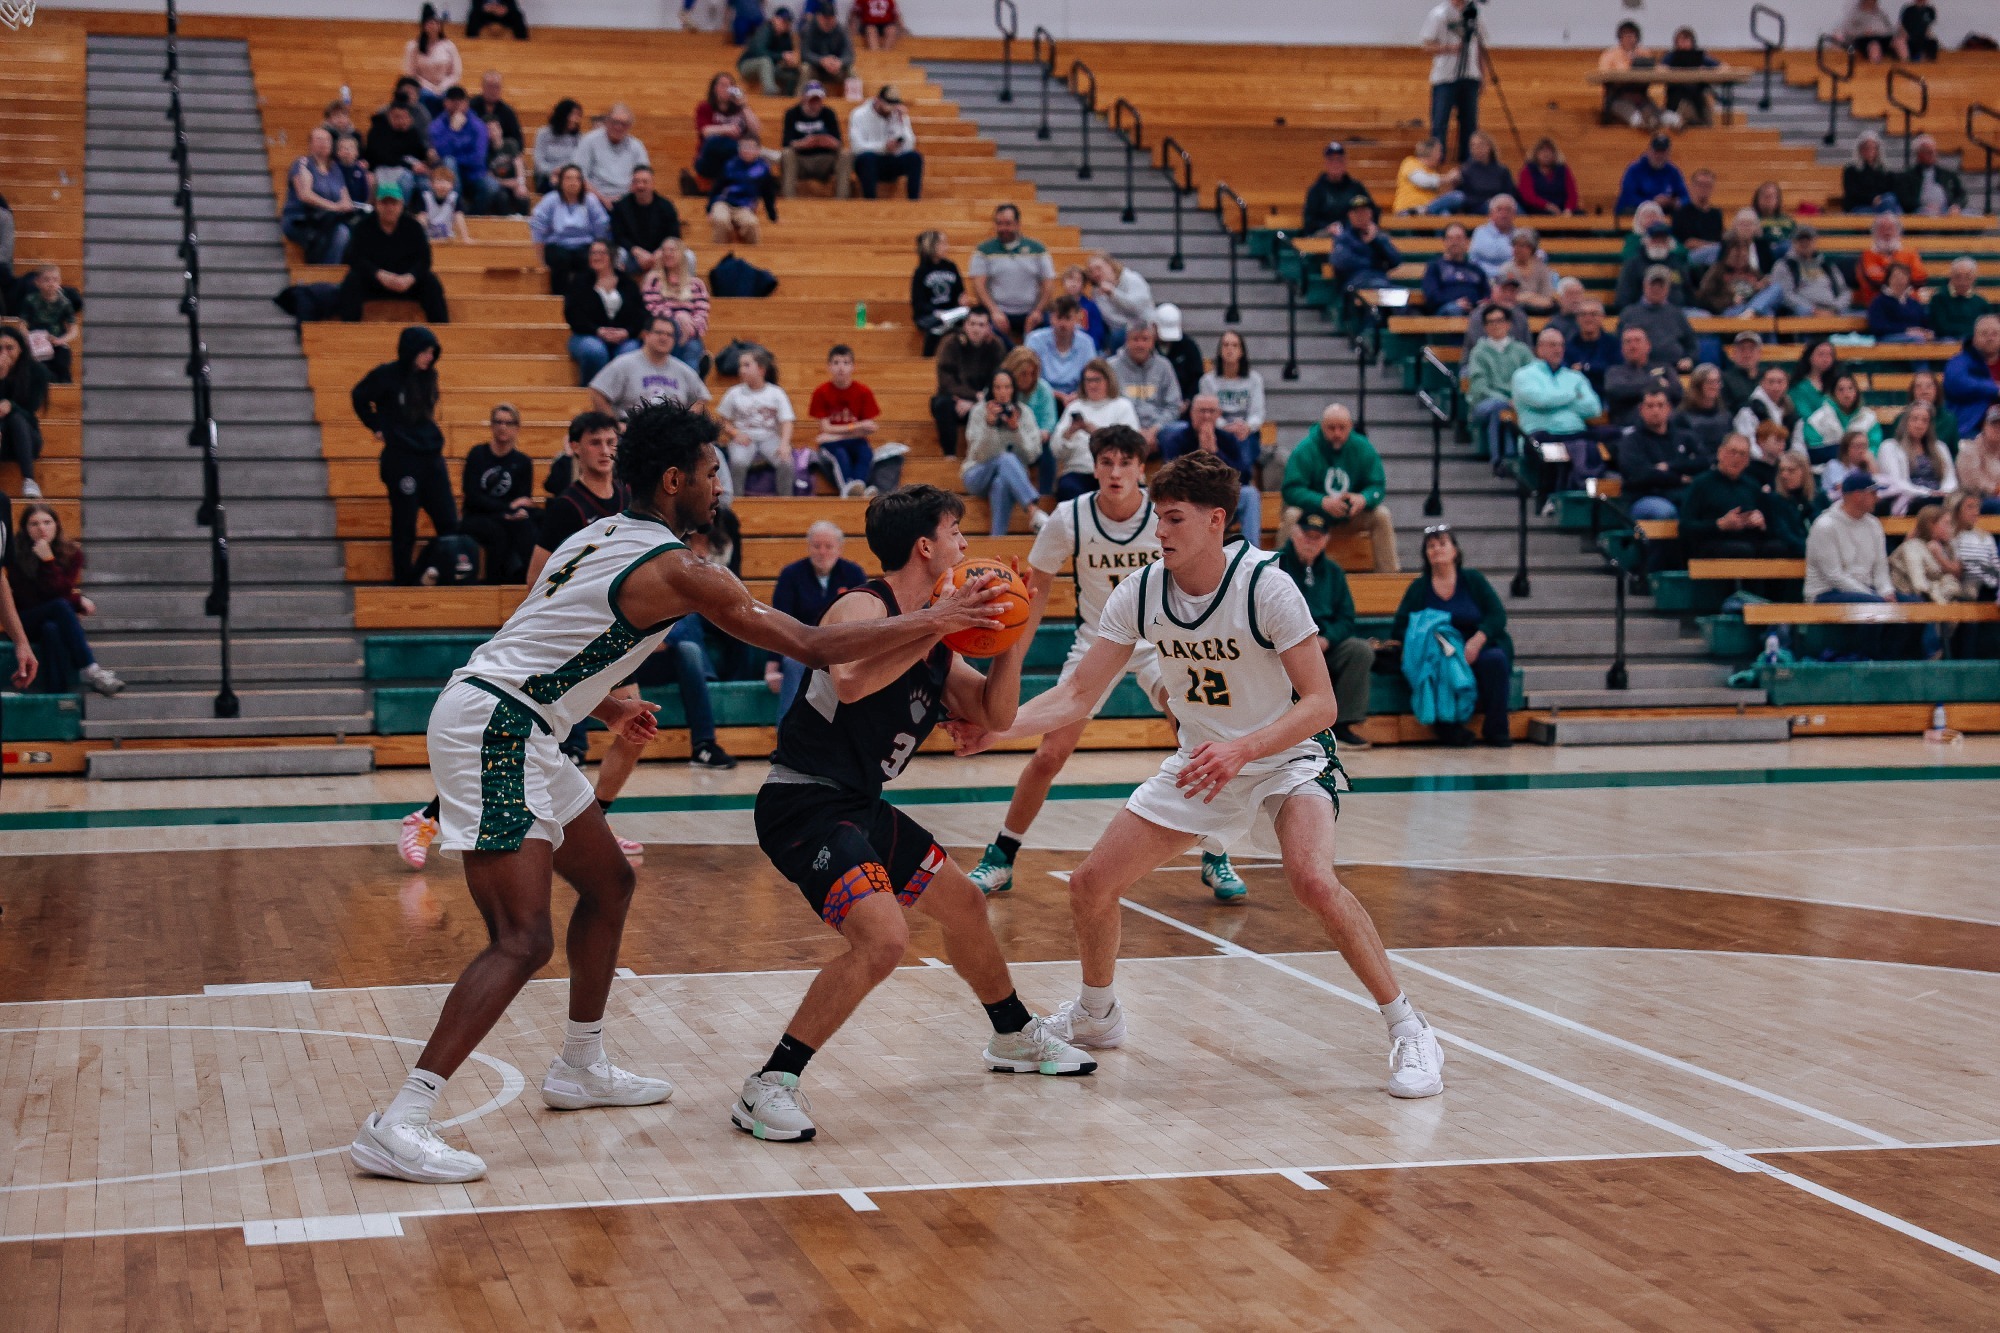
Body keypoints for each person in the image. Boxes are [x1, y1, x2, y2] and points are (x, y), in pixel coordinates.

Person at [356, 401, 1014, 1181]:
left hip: (518, 715)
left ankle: (580, 1064)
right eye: (709, 473)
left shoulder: (595, 534)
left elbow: (529, 641)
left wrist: (607, 702)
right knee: (522, 937)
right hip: (498, 728)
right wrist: (937, 618)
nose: (719, 486)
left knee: (609, 882)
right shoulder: (680, 566)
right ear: (673, 479)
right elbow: (808, 643)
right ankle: (403, 1117)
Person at [955, 450, 1445, 1098]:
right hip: (1203, 763)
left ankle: (1409, 1027)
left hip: (1285, 755)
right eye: (1159, 517)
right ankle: (1097, 1015)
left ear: (1218, 520)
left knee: (1312, 880)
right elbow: (1077, 693)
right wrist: (1000, 726)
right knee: (1090, 885)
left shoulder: (1267, 585)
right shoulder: (1141, 590)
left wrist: (1245, 750)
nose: (1161, 531)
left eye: (1175, 518)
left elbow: (1322, 703)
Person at [734, 483, 1091, 1145]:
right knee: (885, 940)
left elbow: (997, 714)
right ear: (926, 545)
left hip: (859, 805)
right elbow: (851, 679)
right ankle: (769, 1084)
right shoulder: (861, 603)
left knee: (963, 904)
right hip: (803, 801)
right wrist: (940, 618)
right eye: (957, 533)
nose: (964, 546)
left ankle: (1012, 1034)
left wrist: (1011, 631)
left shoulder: (938, 639)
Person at [968, 424, 1240, 902]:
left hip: (1159, 640)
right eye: (1106, 463)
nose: (1115, 473)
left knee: (1198, 742)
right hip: (1100, 640)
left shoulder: (1167, 519)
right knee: (1051, 754)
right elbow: (1033, 600)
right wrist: (1009, 665)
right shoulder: (1068, 519)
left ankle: (1216, 852)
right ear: (1093, 467)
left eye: (1125, 463)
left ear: (1141, 468)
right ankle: (1003, 854)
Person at [352, 327, 455, 586]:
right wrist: (375, 425)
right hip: (401, 457)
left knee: (449, 521)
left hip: (430, 455)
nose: (429, 358)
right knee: (405, 523)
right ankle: (403, 580)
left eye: (433, 352)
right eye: (424, 352)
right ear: (411, 351)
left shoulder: (429, 376)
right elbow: (359, 396)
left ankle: (438, 571)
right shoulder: (386, 374)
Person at [1393, 524, 1511, 746]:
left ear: (1455, 551)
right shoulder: (1418, 588)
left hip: (1475, 646)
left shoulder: (1473, 580)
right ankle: (1447, 727)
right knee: (1436, 664)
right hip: (1439, 651)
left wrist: (1477, 641)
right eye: (1431, 546)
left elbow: (1497, 615)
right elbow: (1401, 626)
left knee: (1496, 660)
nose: (1436, 549)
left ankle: (1497, 728)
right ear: (1426, 554)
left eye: (1442, 544)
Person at [9, 502, 121, 695]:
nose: (41, 528)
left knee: (51, 629)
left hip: (54, 618)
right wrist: (77, 602)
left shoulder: (72, 553)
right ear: (25, 528)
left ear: (57, 525)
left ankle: (57, 696)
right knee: (60, 607)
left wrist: (48, 560)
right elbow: (30, 599)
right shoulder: (16, 555)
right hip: (25, 621)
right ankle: (92, 671)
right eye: (34, 524)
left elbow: (61, 590)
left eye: (47, 522)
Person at [765, 521, 867, 718]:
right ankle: (785, 740)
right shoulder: (790, 575)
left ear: (839, 549)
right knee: (793, 664)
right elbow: (778, 621)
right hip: (802, 648)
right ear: (808, 547)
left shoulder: (854, 574)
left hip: (842, 649)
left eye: (828, 546)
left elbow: (862, 620)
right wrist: (772, 666)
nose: (822, 552)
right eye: (817, 546)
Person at [1281, 404, 1398, 572]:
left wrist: (1363, 498)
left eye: (1342, 428)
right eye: (1331, 428)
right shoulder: (1305, 449)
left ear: (1350, 427)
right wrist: (1321, 501)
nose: (1337, 433)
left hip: (1350, 514)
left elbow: (1377, 484)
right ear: (1322, 427)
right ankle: (1280, 572)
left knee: (1382, 515)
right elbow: (1291, 489)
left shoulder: (1363, 447)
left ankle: (1389, 579)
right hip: (1313, 515)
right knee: (1292, 515)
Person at [338, 181, 449, 323]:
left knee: (431, 283)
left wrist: (411, 277)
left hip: (407, 284)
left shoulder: (414, 227)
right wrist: (378, 274)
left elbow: (425, 260)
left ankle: (441, 334)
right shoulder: (363, 227)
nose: (389, 208)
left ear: (401, 204)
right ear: (376, 205)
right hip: (375, 282)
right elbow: (355, 258)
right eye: (385, 203)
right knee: (352, 281)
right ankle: (348, 334)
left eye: (394, 203)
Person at [1160, 395, 1262, 546]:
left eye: (1211, 411)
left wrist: (1215, 453)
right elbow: (1173, 476)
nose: (1206, 416)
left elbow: (1244, 476)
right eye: (1202, 411)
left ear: (1218, 414)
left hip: (1222, 498)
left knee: (1250, 494)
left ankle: (1252, 551)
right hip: (1189, 498)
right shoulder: (1176, 439)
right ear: (1192, 413)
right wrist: (1202, 453)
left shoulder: (1227, 439)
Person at [960, 365, 1045, 536]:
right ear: (991, 389)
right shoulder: (979, 412)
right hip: (977, 473)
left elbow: (1032, 455)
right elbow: (978, 454)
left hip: (1011, 476)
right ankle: (1033, 510)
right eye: (998, 387)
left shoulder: (1025, 413)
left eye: (1007, 387)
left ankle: (997, 539)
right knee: (1005, 458)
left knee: (1001, 483)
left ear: (1013, 389)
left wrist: (1016, 430)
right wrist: (989, 425)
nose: (1002, 392)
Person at [1681, 434, 1793, 561]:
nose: (1737, 458)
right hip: (1713, 542)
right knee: (1742, 550)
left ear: (1747, 461)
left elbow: (1772, 525)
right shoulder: (1701, 484)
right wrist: (1720, 524)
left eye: (1742, 454)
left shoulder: (1753, 486)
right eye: (1732, 452)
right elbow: (1685, 527)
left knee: (1778, 548)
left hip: (1749, 540)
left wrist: (1761, 523)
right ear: (1720, 453)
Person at [459, 403, 537, 583]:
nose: (503, 427)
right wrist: (507, 508)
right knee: (498, 532)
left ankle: (526, 580)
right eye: (499, 422)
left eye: (508, 423)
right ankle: (493, 585)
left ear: (517, 428)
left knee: (528, 526)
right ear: (492, 425)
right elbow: (473, 496)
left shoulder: (523, 462)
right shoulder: (477, 454)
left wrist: (512, 511)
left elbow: (523, 500)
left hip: (506, 516)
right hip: (476, 516)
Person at [588, 313, 713, 422]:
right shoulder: (624, 364)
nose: (664, 338)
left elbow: (702, 398)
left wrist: (686, 423)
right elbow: (597, 392)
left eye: (669, 335)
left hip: (671, 434)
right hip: (633, 430)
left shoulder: (683, 370)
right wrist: (614, 425)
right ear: (645, 335)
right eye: (659, 332)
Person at [1513, 326, 1604, 471]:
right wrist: (1573, 395)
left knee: (1615, 436)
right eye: (1552, 345)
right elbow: (1541, 401)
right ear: (1539, 348)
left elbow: (1594, 408)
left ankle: (1590, 487)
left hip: (1575, 432)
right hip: (1542, 434)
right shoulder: (1523, 375)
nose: (1558, 349)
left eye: (1561, 345)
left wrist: (1556, 399)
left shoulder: (1575, 376)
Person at [1616, 388, 1706, 528]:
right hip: (1644, 498)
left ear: (1669, 408)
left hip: (1682, 494)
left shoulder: (1686, 436)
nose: (1655, 411)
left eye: (1660, 405)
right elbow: (1640, 475)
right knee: (1665, 512)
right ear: (1641, 410)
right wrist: (1679, 478)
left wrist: (1670, 466)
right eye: (1650, 406)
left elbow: (1704, 462)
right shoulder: (1631, 441)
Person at [1050, 360, 1140, 500]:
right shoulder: (1074, 407)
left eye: (1097, 380)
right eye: (1088, 380)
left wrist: (1098, 434)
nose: (1092, 385)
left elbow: (1132, 446)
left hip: (1114, 473)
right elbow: (1056, 451)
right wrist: (1069, 433)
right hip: (1079, 470)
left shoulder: (1122, 406)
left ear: (1108, 380)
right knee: (1067, 488)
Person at [716, 347, 795, 497]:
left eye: (747, 365)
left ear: (761, 370)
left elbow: (787, 421)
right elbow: (722, 420)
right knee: (738, 462)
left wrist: (784, 444)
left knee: (786, 462)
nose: (741, 370)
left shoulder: (776, 393)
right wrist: (735, 433)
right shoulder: (734, 393)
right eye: (740, 366)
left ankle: (786, 500)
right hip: (744, 437)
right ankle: (735, 500)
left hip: (770, 437)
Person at [562, 240, 643, 386]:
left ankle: (623, 398)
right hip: (587, 335)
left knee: (630, 351)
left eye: (601, 253)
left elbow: (639, 315)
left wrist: (626, 332)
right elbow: (573, 315)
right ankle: (591, 394)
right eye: (593, 253)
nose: (596, 256)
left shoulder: (628, 283)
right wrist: (598, 331)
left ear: (611, 256)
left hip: (623, 337)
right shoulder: (579, 282)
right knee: (594, 351)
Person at [969, 204, 1054, 341]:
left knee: (1052, 328)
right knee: (981, 328)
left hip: (1031, 312)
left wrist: (1038, 311)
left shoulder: (1038, 249)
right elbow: (979, 286)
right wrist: (994, 311)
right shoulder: (983, 250)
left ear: (1018, 224)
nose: (1003, 228)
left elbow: (1048, 284)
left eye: (1008, 224)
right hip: (997, 312)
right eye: (999, 223)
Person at [931, 307, 1006, 456]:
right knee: (941, 404)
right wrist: (972, 396)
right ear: (965, 325)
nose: (976, 329)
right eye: (972, 324)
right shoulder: (951, 344)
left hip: (984, 399)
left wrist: (976, 401)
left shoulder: (995, 346)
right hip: (955, 398)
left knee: (997, 407)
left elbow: (999, 379)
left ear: (988, 328)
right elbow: (946, 381)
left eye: (981, 325)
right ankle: (949, 455)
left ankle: (986, 455)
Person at [809, 343, 880, 495]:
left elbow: (869, 429)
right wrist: (857, 427)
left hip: (849, 440)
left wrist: (836, 434)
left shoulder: (863, 392)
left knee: (865, 452)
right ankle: (847, 489)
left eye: (846, 363)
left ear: (853, 366)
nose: (841, 367)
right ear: (829, 366)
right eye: (836, 363)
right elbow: (826, 428)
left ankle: (859, 487)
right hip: (833, 446)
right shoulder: (821, 392)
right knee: (840, 454)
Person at [1464, 305, 1533, 460]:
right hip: (1484, 404)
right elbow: (1479, 388)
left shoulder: (1522, 351)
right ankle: (1502, 459)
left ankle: (1519, 458)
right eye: (1490, 322)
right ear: (1485, 327)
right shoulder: (1479, 352)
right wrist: (1507, 401)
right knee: (1498, 407)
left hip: (1518, 401)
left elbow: (1533, 378)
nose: (1495, 325)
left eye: (1500, 320)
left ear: (1508, 324)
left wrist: (1519, 400)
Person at [529, 164, 610, 296]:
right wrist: (539, 253)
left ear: (582, 182)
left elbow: (601, 224)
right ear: (561, 182)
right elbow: (538, 224)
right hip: (557, 245)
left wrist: (599, 248)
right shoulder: (551, 199)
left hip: (585, 245)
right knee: (561, 259)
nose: (573, 183)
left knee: (587, 260)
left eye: (577, 179)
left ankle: (586, 300)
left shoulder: (591, 200)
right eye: (568, 178)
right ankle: (560, 300)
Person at [280, 126, 356, 265]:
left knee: (348, 231)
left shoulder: (335, 168)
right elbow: (305, 195)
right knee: (332, 235)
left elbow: (345, 198)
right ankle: (323, 274)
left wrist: (345, 206)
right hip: (302, 219)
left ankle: (329, 275)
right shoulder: (302, 164)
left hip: (327, 219)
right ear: (310, 144)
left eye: (327, 140)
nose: (324, 143)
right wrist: (334, 207)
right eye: (319, 139)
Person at [1420, 0, 1482, 162]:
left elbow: (1480, 46)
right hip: (1445, 77)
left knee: (1469, 124)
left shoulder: (1473, 14)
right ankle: (1437, 162)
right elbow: (1426, 45)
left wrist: (1483, 76)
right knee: (1440, 123)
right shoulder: (1438, 14)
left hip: (1471, 77)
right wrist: (1449, 48)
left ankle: (1467, 164)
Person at [1106, 322, 1184, 451]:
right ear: (1127, 341)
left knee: (1180, 431)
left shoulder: (1164, 366)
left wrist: (1154, 430)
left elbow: (1174, 406)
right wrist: (1135, 430)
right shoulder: (1111, 367)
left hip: (1160, 429)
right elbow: (1108, 405)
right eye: (1135, 339)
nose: (1140, 344)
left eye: (1145, 339)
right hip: (1123, 428)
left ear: (1153, 342)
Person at [639, 238, 710, 371]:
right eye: (664, 250)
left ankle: (690, 385)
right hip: (661, 333)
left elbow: (702, 314)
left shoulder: (696, 284)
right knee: (671, 336)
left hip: (690, 336)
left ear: (682, 254)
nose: (668, 253)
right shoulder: (653, 280)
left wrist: (688, 329)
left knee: (692, 348)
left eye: (672, 250)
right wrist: (678, 319)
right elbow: (652, 308)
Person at [1877, 401, 1957, 515]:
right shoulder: (1890, 447)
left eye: (1925, 421)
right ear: (1905, 422)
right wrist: (1928, 493)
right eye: (1914, 419)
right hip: (1910, 499)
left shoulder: (1940, 447)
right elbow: (1896, 483)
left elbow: (1950, 478)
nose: (1919, 424)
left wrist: (1944, 492)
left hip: (1940, 497)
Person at [427, 85, 496, 214]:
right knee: (448, 163)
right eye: (452, 101)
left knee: (491, 186)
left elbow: (479, 158)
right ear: (445, 103)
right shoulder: (437, 125)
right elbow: (438, 154)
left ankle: (473, 215)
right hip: (448, 175)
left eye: (460, 101)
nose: (456, 105)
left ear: (466, 103)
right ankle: (455, 210)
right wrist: (452, 131)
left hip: (474, 173)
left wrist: (455, 159)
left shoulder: (478, 125)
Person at [1199, 329, 1266, 461]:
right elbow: (1208, 414)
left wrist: (1246, 427)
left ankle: (1243, 480)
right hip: (1218, 431)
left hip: (1246, 432)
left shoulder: (1255, 379)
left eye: (1235, 345)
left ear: (1241, 352)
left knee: (1244, 451)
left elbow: (1257, 413)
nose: (1230, 349)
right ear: (1219, 350)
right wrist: (1225, 427)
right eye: (1225, 345)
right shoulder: (1207, 381)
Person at [848, 85, 922, 201]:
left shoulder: (898, 114)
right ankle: (870, 202)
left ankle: (914, 202)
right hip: (869, 162)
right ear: (877, 100)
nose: (890, 111)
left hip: (891, 160)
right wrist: (883, 147)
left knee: (915, 158)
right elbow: (857, 147)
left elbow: (910, 146)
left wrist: (902, 122)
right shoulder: (859, 114)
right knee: (867, 159)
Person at [780, 81, 850, 199]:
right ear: (803, 98)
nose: (815, 103)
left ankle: (842, 199)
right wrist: (804, 143)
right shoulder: (792, 113)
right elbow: (786, 143)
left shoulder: (828, 113)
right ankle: (789, 199)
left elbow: (839, 142)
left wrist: (830, 142)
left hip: (824, 160)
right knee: (787, 153)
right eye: (812, 99)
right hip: (801, 160)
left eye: (818, 99)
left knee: (846, 154)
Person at [1025, 294, 1098, 406]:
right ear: (1051, 318)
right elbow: (1027, 377)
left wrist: (1078, 394)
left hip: (1077, 398)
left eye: (1068, 318)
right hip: (1042, 396)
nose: (1063, 324)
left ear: (1077, 319)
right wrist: (1058, 396)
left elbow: (1093, 375)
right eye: (1059, 318)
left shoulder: (1086, 343)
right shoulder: (1035, 340)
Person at [0, 328, 47, 499]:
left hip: (26, 438)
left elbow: (30, 411)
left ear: (20, 348)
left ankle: (29, 479)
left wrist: (11, 406)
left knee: (16, 418)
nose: (4, 353)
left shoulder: (36, 372)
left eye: (9, 348)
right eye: (0, 349)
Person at [1620, 267, 1697, 370]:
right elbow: (1619, 344)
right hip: (1638, 369)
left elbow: (1691, 344)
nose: (1656, 289)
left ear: (1668, 288)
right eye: (1653, 284)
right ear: (1644, 285)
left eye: (1661, 285)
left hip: (1674, 369)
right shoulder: (1629, 314)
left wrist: (1689, 359)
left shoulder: (1677, 314)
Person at [609, 165, 681, 276]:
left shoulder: (666, 206)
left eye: (645, 182)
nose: (640, 186)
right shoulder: (621, 206)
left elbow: (674, 235)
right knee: (617, 254)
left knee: (689, 256)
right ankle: (618, 290)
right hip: (632, 255)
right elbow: (618, 236)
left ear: (653, 184)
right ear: (632, 185)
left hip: (661, 254)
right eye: (636, 182)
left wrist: (661, 252)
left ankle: (685, 289)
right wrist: (636, 251)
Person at [1604, 327, 1682, 426]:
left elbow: (1677, 392)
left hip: (1667, 426)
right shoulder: (1614, 372)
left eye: (1637, 340)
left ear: (1648, 345)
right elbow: (1616, 390)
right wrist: (1656, 382)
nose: (1633, 346)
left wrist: (1635, 388)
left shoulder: (1664, 368)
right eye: (1628, 342)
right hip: (1629, 427)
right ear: (1622, 349)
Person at [574, 104, 648, 206]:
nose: (618, 127)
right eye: (615, 122)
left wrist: (623, 200)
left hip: (628, 200)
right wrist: (602, 199)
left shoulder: (636, 146)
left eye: (624, 124)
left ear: (630, 126)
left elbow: (644, 177)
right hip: (593, 198)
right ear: (607, 122)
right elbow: (579, 175)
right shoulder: (589, 141)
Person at [16, 267, 79, 387]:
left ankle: (64, 387)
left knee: (63, 359)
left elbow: (74, 330)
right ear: (37, 282)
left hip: (56, 342)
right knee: (38, 367)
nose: (51, 284)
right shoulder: (30, 300)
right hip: (37, 343)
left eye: (55, 280)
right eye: (46, 280)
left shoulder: (65, 303)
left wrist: (61, 340)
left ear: (59, 282)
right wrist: (29, 338)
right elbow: (22, 324)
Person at [1767, 225, 1851, 315]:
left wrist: (1836, 308)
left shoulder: (1827, 265)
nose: (1805, 243)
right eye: (1800, 240)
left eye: (1808, 239)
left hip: (1833, 309)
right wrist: (1811, 310)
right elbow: (1784, 294)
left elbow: (1844, 291)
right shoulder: (1784, 265)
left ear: (1815, 242)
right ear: (1793, 242)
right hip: (1801, 312)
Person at [1944, 316, 2000, 443]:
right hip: (1971, 429)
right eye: (1984, 333)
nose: (1990, 338)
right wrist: (1995, 389)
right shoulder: (1959, 361)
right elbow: (1956, 382)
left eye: (1995, 334)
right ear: (1974, 337)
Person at [1085, 252, 1154, 353]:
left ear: (1110, 266)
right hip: (1117, 331)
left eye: (1098, 268)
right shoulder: (1097, 293)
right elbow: (1112, 320)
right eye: (1091, 271)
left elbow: (1137, 308)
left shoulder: (1132, 279)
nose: (1095, 273)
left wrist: (1113, 294)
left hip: (1144, 326)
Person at [1330, 198, 1401, 295]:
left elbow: (1396, 260)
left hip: (1380, 281)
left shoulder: (1379, 238)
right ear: (1350, 215)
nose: (1360, 216)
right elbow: (1342, 262)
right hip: (1354, 284)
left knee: (1401, 295)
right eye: (1356, 212)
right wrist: (1375, 262)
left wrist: (1374, 241)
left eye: (1364, 212)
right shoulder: (1344, 238)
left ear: (1370, 214)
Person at [1599, 20, 1662, 128]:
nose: (1629, 39)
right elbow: (1603, 74)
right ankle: (1644, 124)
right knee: (1637, 119)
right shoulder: (1610, 54)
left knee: (1660, 117)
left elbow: (1656, 69)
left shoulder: (1644, 53)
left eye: (1632, 35)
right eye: (1626, 35)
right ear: (1620, 37)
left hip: (1641, 96)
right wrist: (1628, 65)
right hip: (1619, 97)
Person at [709, 134, 770, 244]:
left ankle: (754, 253)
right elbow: (717, 188)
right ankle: (719, 250)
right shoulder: (729, 164)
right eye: (744, 147)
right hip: (724, 203)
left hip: (744, 206)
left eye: (750, 147)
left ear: (758, 150)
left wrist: (772, 214)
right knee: (720, 219)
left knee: (751, 223)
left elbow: (768, 192)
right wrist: (709, 209)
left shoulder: (762, 168)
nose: (747, 150)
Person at [910, 229, 964, 356]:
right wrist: (935, 312)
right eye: (943, 243)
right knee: (936, 327)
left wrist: (962, 299)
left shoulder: (951, 266)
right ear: (931, 246)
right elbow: (918, 302)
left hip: (951, 313)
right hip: (929, 315)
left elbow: (960, 292)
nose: (947, 247)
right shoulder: (921, 271)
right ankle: (927, 358)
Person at [1856, 213, 1927, 307]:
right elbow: (1873, 282)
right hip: (1879, 307)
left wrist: (1890, 279)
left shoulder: (1910, 253)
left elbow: (1920, 278)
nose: (1887, 232)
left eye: (1890, 228)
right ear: (1874, 232)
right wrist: (1903, 281)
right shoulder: (1867, 255)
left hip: (1909, 304)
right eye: (1882, 228)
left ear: (1898, 231)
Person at [1803, 372, 1883, 456]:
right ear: (1833, 394)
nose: (1846, 394)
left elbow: (1874, 448)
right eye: (1841, 390)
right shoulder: (1816, 420)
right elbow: (1815, 452)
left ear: (1856, 392)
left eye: (1850, 388)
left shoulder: (1869, 418)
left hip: (1861, 466)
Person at [402, 5, 463, 114]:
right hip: (422, 89)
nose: (433, 26)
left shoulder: (449, 46)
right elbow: (411, 74)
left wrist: (441, 87)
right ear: (424, 25)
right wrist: (430, 88)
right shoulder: (413, 46)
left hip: (445, 88)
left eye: (436, 23)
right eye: (430, 23)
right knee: (425, 97)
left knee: (451, 99)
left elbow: (456, 74)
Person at [1616, 134, 1691, 219]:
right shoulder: (1634, 170)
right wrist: (1652, 202)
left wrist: (1675, 202)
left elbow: (1686, 196)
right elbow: (1628, 197)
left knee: (1685, 212)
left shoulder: (1673, 171)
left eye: (1663, 152)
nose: (1659, 156)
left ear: (1668, 153)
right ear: (1649, 151)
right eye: (1656, 151)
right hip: (1636, 209)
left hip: (1662, 210)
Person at [1421, 223, 1488, 317]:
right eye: (1450, 238)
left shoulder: (1476, 269)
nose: (1454, 242)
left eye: (1459, 238)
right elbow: (1432, 296)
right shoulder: (1435, 267)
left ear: (1466, 242)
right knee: (1455, 309)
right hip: (1447, 310)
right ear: (1444, 242)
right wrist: (1456, 302)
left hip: (1474, 310)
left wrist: (1481, 303)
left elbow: (1486, 293)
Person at [1662, 26, 1721, 127]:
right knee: (1687, 110)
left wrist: (1705, 71)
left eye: (1686, 40)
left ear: (1692, 42)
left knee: (1706, 110)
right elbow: (1660, 68)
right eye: (1680, 40)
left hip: (1697, 96)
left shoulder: (1700, 57)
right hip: (1678, 97)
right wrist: (1677, 73)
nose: (1683, 43)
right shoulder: (1671, 56)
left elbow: (1722, 67)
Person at [1898, 135, 1969, 218]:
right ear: (1918, 154)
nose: (1933, 154)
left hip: (1947, 209)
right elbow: (1905, 200)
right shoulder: (1907, 176)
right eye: (1928, 152)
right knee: (1926, 214)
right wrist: (1923, 206)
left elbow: (1962, 195)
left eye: (1934, 151)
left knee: (1973, 215)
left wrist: (1956, 206)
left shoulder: (1948, 175)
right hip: (1921, 211)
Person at [739, 6, 802, 97]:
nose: (786, 24)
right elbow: (759, 52)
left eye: (788, 22)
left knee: (792, 73)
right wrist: (781, 56)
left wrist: (789, 62)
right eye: (783, 21)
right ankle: (770, 91)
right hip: (748, 65)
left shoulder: (786, 36)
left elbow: (786, 55)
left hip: (771, 68)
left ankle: (789, 97)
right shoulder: (764, 30)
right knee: (765, 61)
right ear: (774, 19)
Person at [1392, 137, 1464, 216]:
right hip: (1406, 211)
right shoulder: (1410, 162)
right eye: (1439, 151)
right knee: (1457, 196)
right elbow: (1422, 181)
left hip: (1428, 212)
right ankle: (1419, 211)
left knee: (1446, 212)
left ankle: (1422, 211)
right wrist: (1448, 177)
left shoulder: (1433, 172)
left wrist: (1454, 182)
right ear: (1431, 151)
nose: (1441, 155)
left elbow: (1440, 196)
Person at [1694, 237, 1765, 317]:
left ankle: (1752, 312)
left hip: (1752, 308)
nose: (1740, 258)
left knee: (1774, 292)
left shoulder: (1753, 272)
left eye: (1744, 254)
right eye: (1737, 255)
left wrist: (1759, 288)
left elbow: (1763, 297)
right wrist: (1730, 301)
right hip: (1730, 311)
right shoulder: (1717, 272)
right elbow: (1705, 298)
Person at [1678, 365, 1735, 460]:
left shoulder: (1725, 415)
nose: (1715, 386)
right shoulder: (1682, 416)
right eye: (1710, 382)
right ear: (1698, 385)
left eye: (1717, 382)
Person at [1931, 258, 1995, 343]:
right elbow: (1941, 328)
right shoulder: (1938, 299)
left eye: (1968, 277)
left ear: (1974, 278)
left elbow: (1988, 326)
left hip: (1975, 341)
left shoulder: (1981, 302)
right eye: (1958, 276)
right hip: (1948, 340)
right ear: (1951, 276)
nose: (1962, 281)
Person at [1950, 489, 2000, 599]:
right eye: (1970, 507)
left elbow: (1996, 565)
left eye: (1977, 507)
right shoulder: (1950, 537)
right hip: (1963, 585)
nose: (1975, 512)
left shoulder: (1985, 537)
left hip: (1989, 586)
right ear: (1956, 510)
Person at [1563, 300, 1620, 394]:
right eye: (1583, 314)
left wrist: (1584, 368)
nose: (1588, 318)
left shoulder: (1613, 344)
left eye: (1593, 314)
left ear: (1602, 317)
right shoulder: (1568, 345)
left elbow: (1614, 372)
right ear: (1577, 319)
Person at [1868, 263, 1935, 343]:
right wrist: (1906, 330)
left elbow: (1925, 322)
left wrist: (1928, 332)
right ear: (1888, 279)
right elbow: (1878, 327)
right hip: (1888, 339)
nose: (1900, 280)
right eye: (1896, 277)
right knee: (1917, 339)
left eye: (1903, 276)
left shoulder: (1914, 303)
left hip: (1917, 336)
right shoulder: (1879, 302)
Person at [1498, 228, 1559, 314]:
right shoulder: (1506, 268)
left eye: (1522, 245)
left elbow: (1547, 299)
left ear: (1532, 248)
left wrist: (1530, 297)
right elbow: (1503, 297)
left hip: (1540, 310)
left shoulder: (1542, 269)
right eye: (1515, 245)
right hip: (1513, 311)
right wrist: (1527, 297)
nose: (1517, 249)